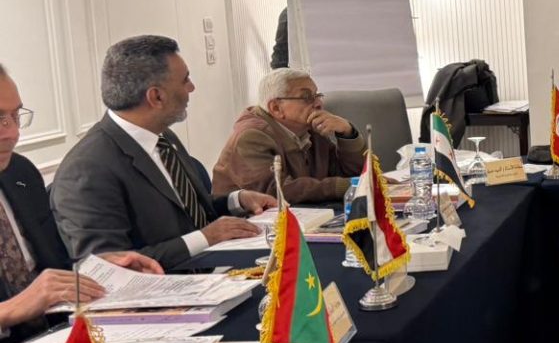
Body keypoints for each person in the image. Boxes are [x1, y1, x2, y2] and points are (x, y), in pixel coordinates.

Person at [51, 35, 275, 268]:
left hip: (213, 270)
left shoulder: (162, 136)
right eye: (185, 80)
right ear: (156, 96)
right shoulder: (87, 169)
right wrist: (205, 238)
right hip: (173, 284)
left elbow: (184, 211)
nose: (192, 88)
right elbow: (108, 267)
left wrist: (236, 200)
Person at [0, 64, 161, 343]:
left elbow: (53, 266)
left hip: (60, 338)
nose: (12, 133)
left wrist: (100, 269)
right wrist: (8, 311)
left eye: (15, 116)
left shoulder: (20, 173)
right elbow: (30, 296)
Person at [210, 68, 366, 202]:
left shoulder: (309, 128)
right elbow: (277, 191)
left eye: (318, 95)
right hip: (251, 223)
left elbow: (350, 174)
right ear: (276, 108)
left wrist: (347, 133)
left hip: (308, 214)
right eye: (306, 97)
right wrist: (347, 185)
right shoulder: (251, 137)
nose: (318, 103)